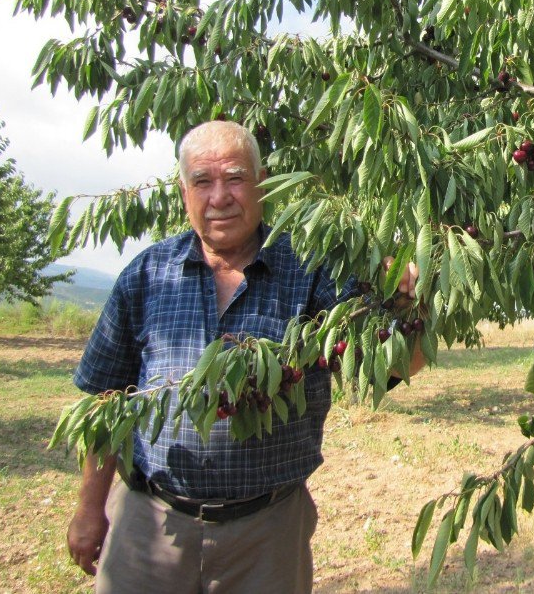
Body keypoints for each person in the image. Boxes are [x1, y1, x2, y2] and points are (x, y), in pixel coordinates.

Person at [66, 120, 422, 592]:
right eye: (203, 181)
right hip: (149, 524)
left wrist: (405, 304)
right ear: (183, 190)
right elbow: (104, 403)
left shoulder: (314, 273)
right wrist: (90, 509)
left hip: (267, 533)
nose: (220, 196)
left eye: (235, 178)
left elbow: (392, 368)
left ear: (261, 184)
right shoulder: (146, 276)